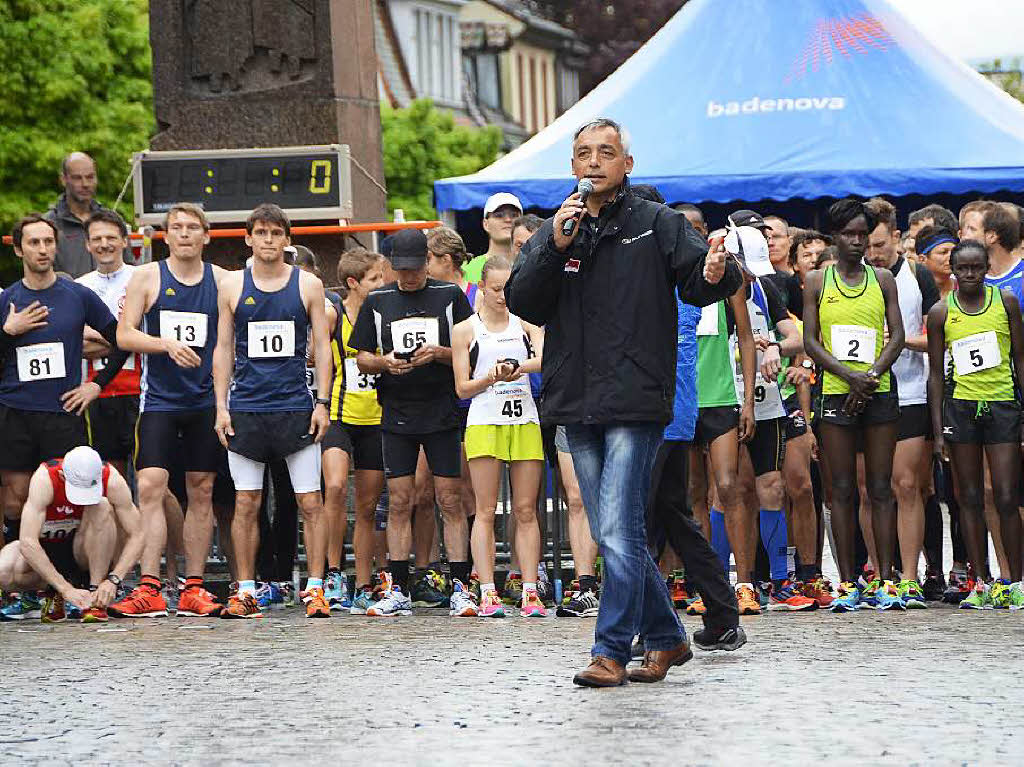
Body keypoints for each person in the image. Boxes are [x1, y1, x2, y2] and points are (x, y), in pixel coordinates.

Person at [506, 117, 739, 687]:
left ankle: (609, 650)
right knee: (619, 530)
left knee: (616, 526)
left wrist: (717, 269)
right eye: (583, 153)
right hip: (574, 397)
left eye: (605, 153)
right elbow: (523, 301)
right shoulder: (558, 226)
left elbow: (703, 282)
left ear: (626, 166)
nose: (593, 162)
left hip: (635, 397)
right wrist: (551, 247)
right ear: (571, 165)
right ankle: (665, 637)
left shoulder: (656, 223)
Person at [213, 204, 333, 619]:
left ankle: (316, 588)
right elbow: (223, 348)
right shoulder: (231, 285)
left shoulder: (308, 285)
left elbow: (322, 347)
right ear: (248, 238)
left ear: (287, 239)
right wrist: (220, 407)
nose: (267, 240)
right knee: (247, 502)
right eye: (260, 233)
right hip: (246, 407)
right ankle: (246, 588)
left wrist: (322, 403)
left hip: (296, 406)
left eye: (275, 233)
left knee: (310, 502)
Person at [349, 228, 474, 617]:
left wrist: (439, 353)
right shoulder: (378, 300)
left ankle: (461, 585)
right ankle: (398, 585)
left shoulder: (448, 296)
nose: (409, 277)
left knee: (449, 498)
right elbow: (362, 357)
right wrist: (385, 362)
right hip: (397, 412)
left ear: (426, 262)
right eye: (401, 270)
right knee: (400, 499)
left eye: (415, 268)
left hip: (441, 409)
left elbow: (471, 345)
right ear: (391, 266)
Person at [112, 203, 228, 618]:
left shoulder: (221, 280)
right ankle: (149, 587)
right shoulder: (146, 277)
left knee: (202, 491)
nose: (183, 234)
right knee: (150, 487)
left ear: (205, 235)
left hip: (203, 402)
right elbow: (124, 335)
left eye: (191, 228)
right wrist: (165, 344)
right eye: (175, 227)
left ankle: (194, 586)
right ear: (166, 235)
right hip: (159, 400)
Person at [0, 214, 129, 552]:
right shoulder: (6, 301)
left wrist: (96, 384)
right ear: (18, 250)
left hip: (62, 413)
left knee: (66, 500)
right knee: (16, 499)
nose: (42, 250)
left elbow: (121, 342)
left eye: (48, 242)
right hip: (15, 412)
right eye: (33, 243)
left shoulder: (78, 295)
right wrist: (7, 332)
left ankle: (62, 583)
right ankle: (24, 583)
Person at [803, 199, 905, 612]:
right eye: (849, 234)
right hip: (835, 393)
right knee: (840, 489)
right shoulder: (815, 281)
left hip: (877, 391)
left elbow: (897, 335)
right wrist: (848, 376)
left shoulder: (883, 279)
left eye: (863, 235)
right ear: (834, 237)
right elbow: (811, 341)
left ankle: (886, 578)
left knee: (880, 488)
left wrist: (871, 375)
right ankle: (847, 581)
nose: (857, 242)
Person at [927, 240, 1024, 609]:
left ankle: (1015, 580)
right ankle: (980, 580)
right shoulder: (940, 312)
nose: (969, 275)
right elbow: (936, 375)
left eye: (976, 268)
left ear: (986, 269)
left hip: (1001, 406)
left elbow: (1020, 358)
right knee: (966, 498)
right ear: (953, 270)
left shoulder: (1006, 302)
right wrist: (938, 432)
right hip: (961, 408)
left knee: (1005, 495)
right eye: (962, 269)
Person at [726, 225, 815, 611]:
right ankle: (731, 582)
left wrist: (777, 346)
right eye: (743, 268)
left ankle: (780, 579)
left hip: (766, 404)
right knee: (727, 491)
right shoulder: (706, 294)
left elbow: (800, 336)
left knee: (772, 487)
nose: (748, 277)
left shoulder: (765, 288)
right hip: (723, 403)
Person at [452, 256, 547, 617]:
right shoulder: (466, 330)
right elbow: (462, 388)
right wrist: (491, 377)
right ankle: (488, 590)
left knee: (526, 509)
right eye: (495, 289)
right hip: (485, 421)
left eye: (508, 288)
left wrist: (517, 367)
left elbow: (548, 356)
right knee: (486, 510)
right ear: (483, 288)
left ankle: (530, 590)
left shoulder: (525, 322)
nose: (502, 296)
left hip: (523, 420)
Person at [862, 197, 940, 608]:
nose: (873, 253)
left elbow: (934, 339)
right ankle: (880, 572)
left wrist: (895, 342)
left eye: (879, 244)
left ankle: (910, 576)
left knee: (906, 484)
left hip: (909, 389)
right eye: (866, 245)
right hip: (863, 392)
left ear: (896, 237)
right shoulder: (851, 276)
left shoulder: (919, 276)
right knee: (868, 488)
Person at [0, 446, 144, 623]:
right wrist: (65, 588)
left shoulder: (111, 478)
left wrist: (114, 580)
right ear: (62, 476)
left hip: (86, 549)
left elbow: (138, 534)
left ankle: (95, 594)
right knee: (4, 572)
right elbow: (28, 541)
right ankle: (51, 592)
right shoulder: (45, 478)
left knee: (102, 505)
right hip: (50, 547)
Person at [326, 248, 387, 614]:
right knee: (334, 487)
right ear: (353, 283)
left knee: (366, 506)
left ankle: (363, 581)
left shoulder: (384, 314)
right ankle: (333, 572)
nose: (382, 285)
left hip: (375, 419)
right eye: (374, 279)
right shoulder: (334, 315)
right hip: (338, 413)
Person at [76, 211, 140, 480]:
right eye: (97, 238)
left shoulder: (143, 279)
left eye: (111, 237)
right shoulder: (79, 287)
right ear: (88, 245)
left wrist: (98, 335)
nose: (104, 244)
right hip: (95, 396)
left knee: (152, 482)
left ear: (125, 241)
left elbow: (145, 339)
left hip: (141, 392)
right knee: (111, 482)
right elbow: (77, 346)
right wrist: (124, 338)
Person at [43, 152, 123, 279]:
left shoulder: (111, 220)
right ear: (63, 179)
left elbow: (129, 266)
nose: (85, 184)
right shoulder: (48, 224)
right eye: (77, 178)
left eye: (90, 177)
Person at [462, 193, 523, 283]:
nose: (508, 220)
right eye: (499, 215)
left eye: (514, 215)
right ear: (486, 224)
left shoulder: (531, 265)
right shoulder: (468, 269)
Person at [916, 225, 958, 299]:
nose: (951, 256)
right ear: (922, 259)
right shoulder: (913, 291)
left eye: (954, 251)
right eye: (943, 252)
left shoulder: (965, 289)